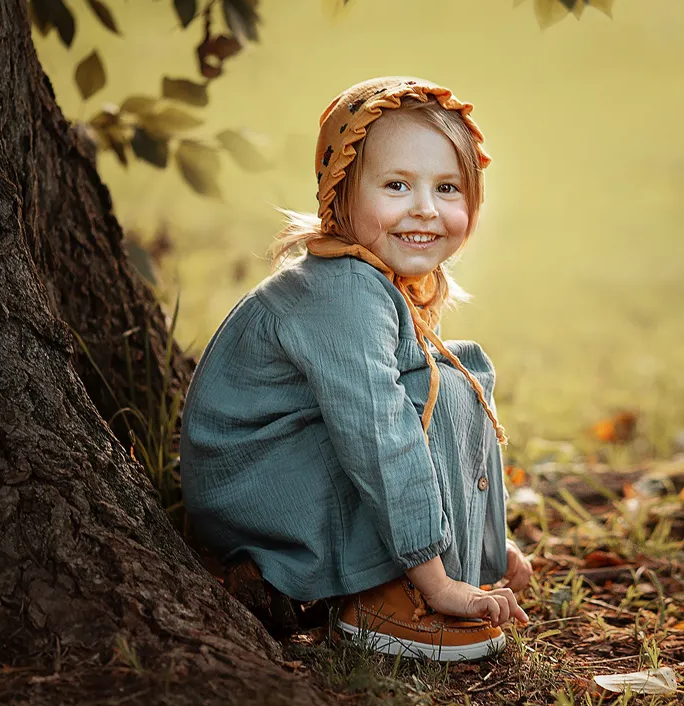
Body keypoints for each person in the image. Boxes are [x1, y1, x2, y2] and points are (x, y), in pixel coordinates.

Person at [179, 76, 532, 662]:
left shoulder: (374, 279)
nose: (425, 208)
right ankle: (390, 594)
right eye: (396, 185)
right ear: (341, 193)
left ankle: (448, 562)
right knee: (425, 394)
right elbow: (379, 434)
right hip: (258, 493)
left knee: (457, 369)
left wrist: (490, 546)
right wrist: (438, 581)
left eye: (448, 187)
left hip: (290, 473)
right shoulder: (340, 291)